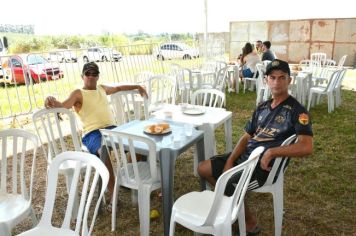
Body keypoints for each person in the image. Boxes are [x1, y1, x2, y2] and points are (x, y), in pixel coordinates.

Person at [198, 59, 313, 234]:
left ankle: (248, 222)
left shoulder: (297, 111)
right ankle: (234, 204)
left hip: (264, 168)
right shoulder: (262, 106)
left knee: (227, 182)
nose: (276, 82)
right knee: (203, 168)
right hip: (246, 157)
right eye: (272, 77)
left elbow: (306, 147)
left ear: (289, 80)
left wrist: (273, 152)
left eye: (282, 78)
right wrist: (230, 160)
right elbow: (246, 137)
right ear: (266, 80)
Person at [44, 61, 148, 210]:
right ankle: (113, 196)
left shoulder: (101, 88)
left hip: (112, 129)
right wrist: (50, 100)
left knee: (137, 145)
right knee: (104, 151)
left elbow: (118, 88)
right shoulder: (78, 93)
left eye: (94, 74)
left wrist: (138, 86)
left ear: (98, 76)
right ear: (82, 76)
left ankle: (129, 179)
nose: (91, 77)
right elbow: (63, 105)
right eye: (88, 74)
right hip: (92, 133)